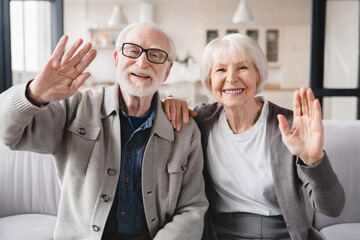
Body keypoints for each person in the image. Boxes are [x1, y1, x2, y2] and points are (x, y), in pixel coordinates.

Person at [0, 22, 208, 240]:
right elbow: (8, 133)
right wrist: (34, 94)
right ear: (117, 59)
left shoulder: (184, 128)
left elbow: (192, 209)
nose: (142, 62)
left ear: (167, 70)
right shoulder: (75, 107)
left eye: (155, 55)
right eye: (133, 51)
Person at [164, 33, 345, 240]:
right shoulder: (202, 121)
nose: (231, 78)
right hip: (219, 234)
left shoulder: (288, 126)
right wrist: (170, 101)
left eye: (242, 67)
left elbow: (332, 208)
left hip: (285, 234)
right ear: (209, 80)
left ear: (258, 75)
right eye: (221, 69)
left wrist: (314, 160)